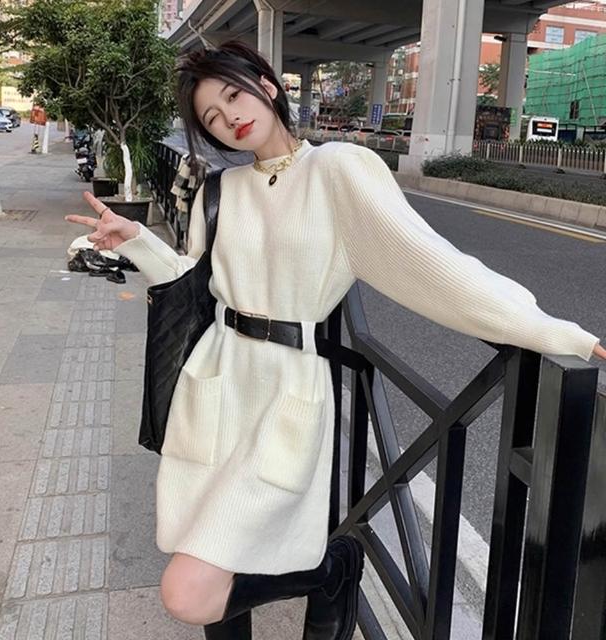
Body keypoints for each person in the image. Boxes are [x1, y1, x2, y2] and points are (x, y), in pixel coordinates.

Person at [64, 40, 606, 639]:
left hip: (284, 390)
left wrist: (550, 329)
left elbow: (432, 265)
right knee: (214, 555)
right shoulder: (222, 189)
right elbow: (194, 280)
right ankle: (325, 574)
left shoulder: (339, 170)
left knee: (190, 590)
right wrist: (138, 241)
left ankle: (331, 572)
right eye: (212, 117)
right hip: (215, 383)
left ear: (267, 86)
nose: (229, 117)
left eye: (234, 95)